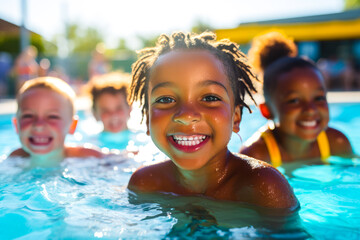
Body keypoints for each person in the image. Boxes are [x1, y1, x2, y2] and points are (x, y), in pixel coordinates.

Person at [127, 31, 298, 210]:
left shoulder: (262, 188)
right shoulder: (145, 185)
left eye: (209, 98)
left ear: (236, 117)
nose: (186, 116)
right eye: (166, 99)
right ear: (147, 119)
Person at [240, 31, 354, 167]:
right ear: (266, 111)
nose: (311, 109)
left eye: (318, 98)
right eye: (294, 100)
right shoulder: (256, 156)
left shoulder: (336, 143)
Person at [10, 77, 104, 167]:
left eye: (52, 116)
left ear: (72, 125)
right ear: (16, 125)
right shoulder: (13, 160)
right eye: (28, 116)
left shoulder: (89, 157)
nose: (39, 125)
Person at [83, 71, 148, 150]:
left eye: (118, 108)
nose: (113, 115)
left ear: (130, 109)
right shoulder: (90, 146)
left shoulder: (144, 139)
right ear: (95, 114)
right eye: (105, 110)